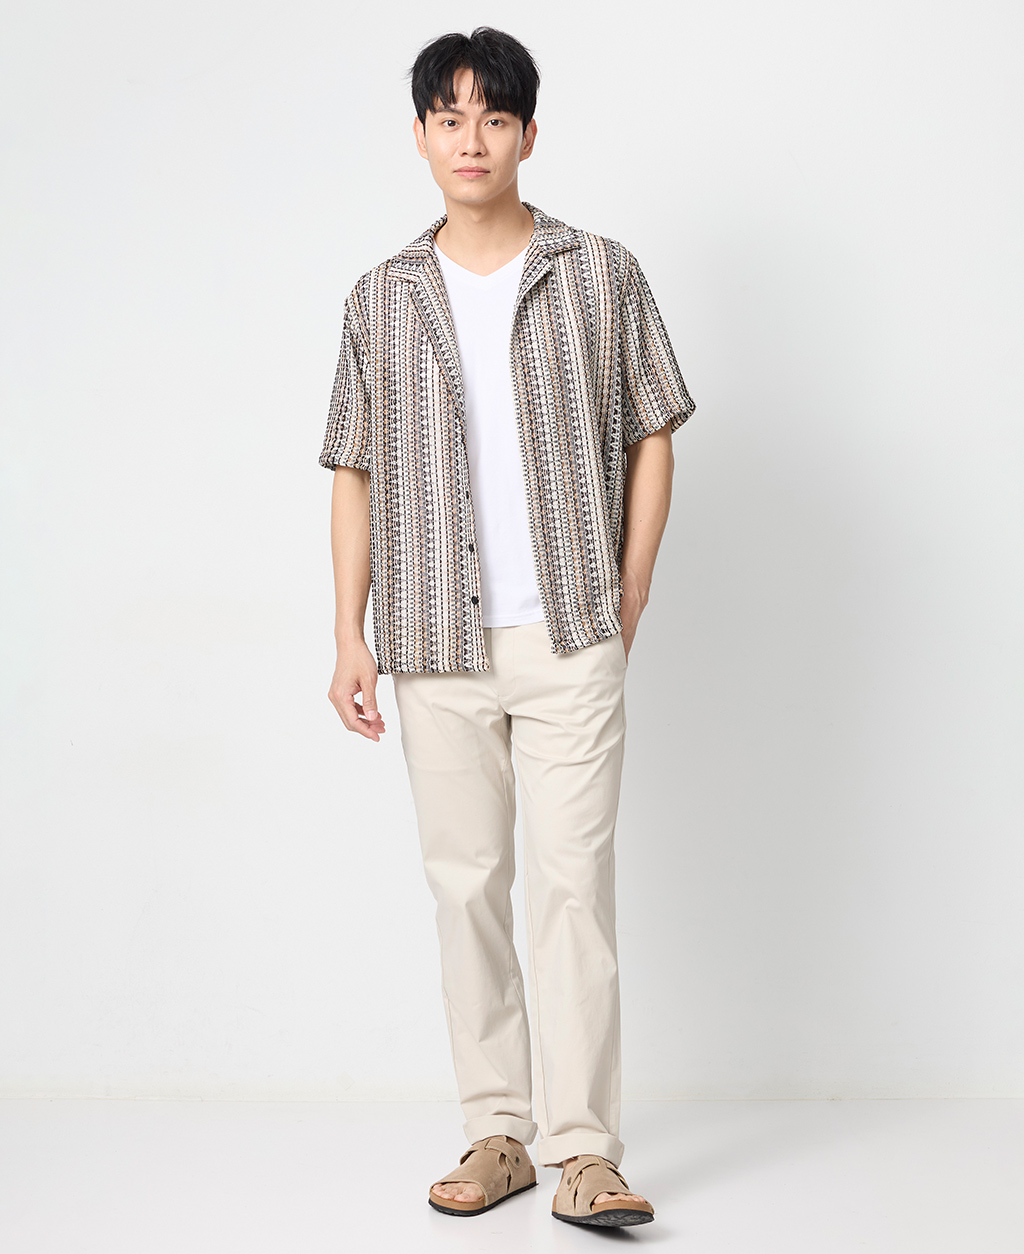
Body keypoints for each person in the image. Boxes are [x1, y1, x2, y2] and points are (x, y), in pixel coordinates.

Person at [321, 26, 695, 1229]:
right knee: (467, 891)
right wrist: (349, 634)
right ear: (420, 135)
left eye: (493, 117)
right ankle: (499, 1134)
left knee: (573, 892)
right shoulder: (380, 297)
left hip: (570, 634)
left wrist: (631, 586)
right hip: (433, 641)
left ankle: (585, 1152)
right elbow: (353, 469)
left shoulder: (598, 272)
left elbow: (652, 430)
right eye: (450, 117)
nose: (470, 139)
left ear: (529, 133)